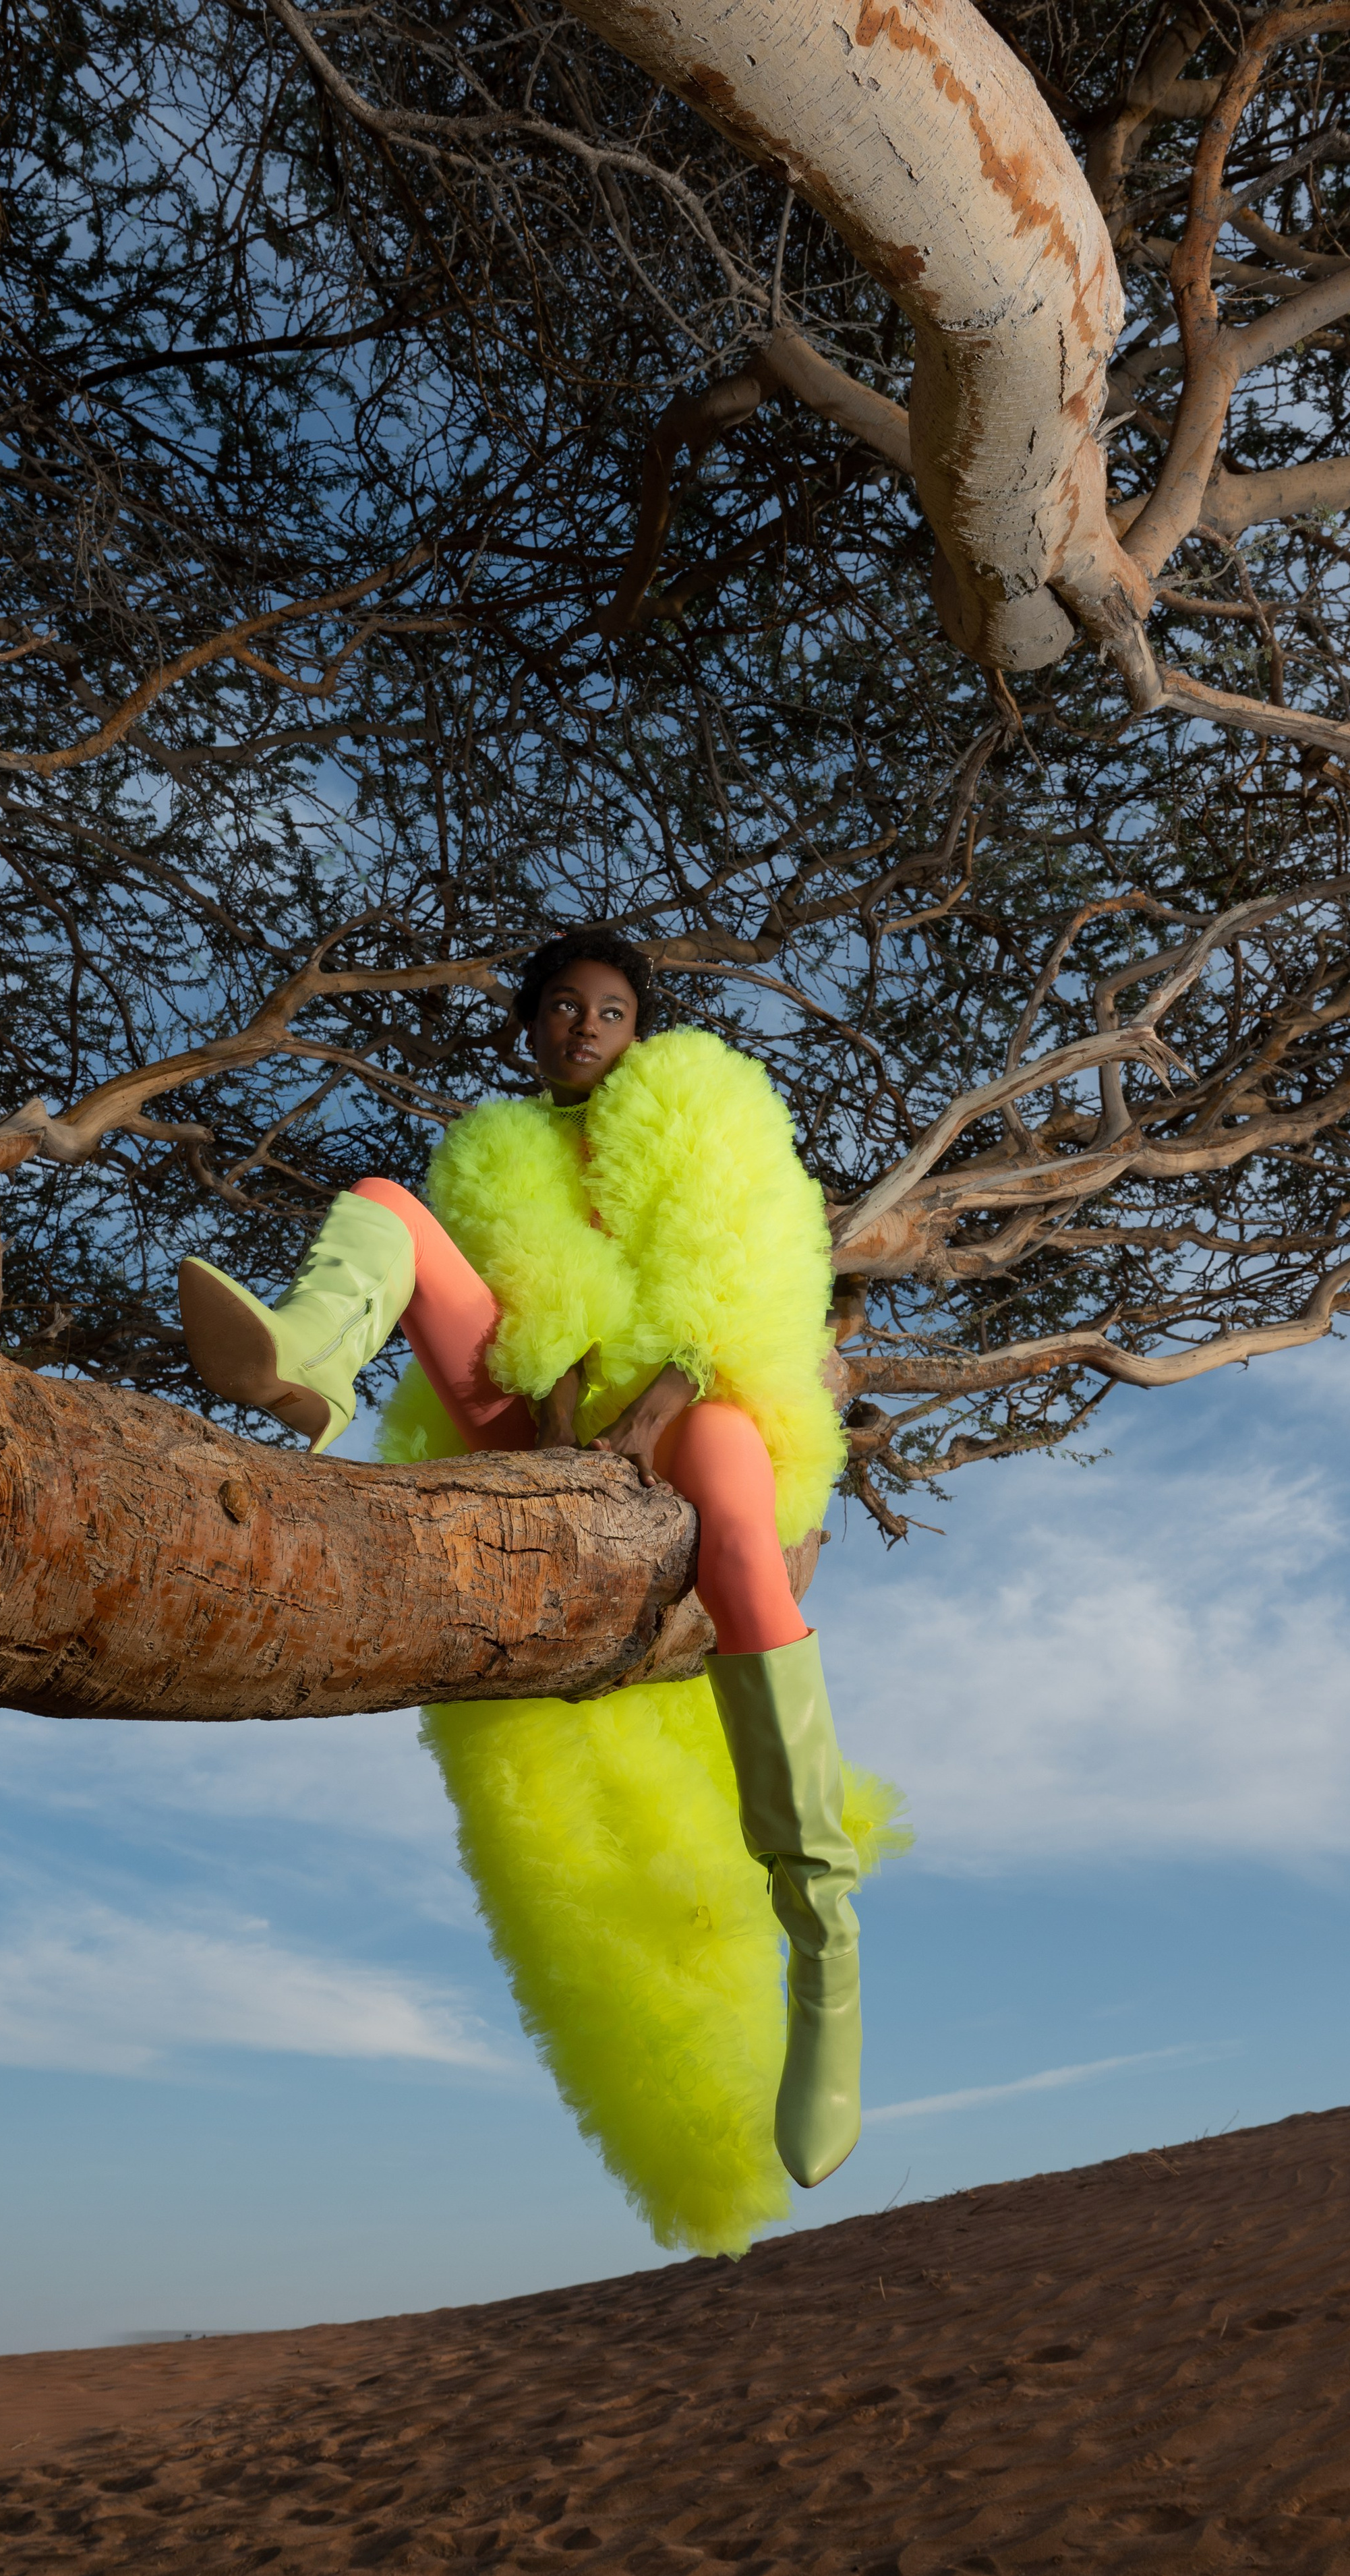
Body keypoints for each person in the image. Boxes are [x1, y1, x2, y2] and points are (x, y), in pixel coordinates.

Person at [179, 930, 879, 2196]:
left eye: (610, 1011)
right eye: (563, 1008)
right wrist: (555, 1424)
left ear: (638, 1029)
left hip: (694, 1399)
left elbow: (742, 1288)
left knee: (733, 1504)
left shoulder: (702, 1108)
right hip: (535, 1409)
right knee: (390, 1207)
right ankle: (302, 1359)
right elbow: (524, 1314)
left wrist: (650, 1410)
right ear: (531, 1030)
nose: (585, 1029)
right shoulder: (499, 1152)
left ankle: (818, 1923)